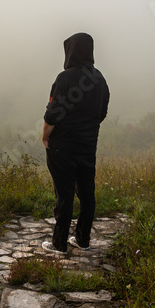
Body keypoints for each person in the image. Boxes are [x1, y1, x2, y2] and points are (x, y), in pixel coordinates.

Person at [40, 32, 110, 255]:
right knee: (87, 195)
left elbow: (52, 115)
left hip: (62, 147)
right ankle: (83, 240)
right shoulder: (100, 79)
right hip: (88, 147)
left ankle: (59, 244)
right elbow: (102, 113)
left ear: (70, 51)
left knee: (65, 196)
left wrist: (45, 137)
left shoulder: (65, 78)